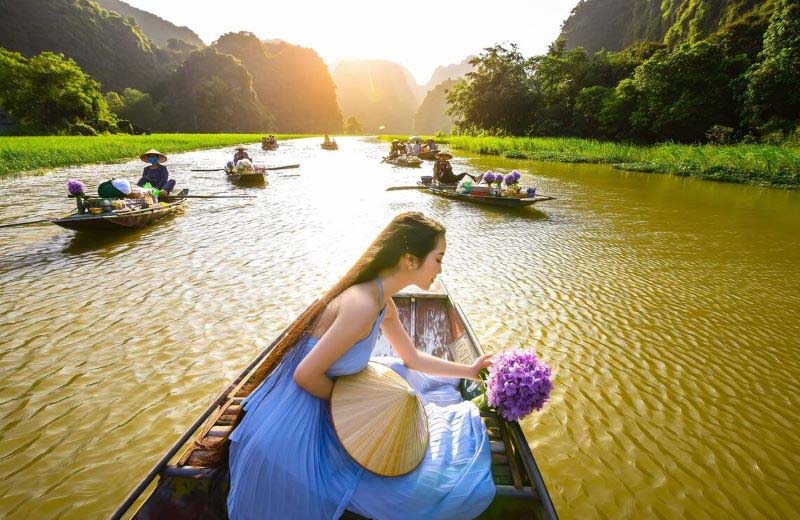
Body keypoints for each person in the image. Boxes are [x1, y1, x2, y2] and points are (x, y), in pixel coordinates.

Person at [224, 212, 496, 519]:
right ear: (410, 260)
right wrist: (357, 409)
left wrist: (470, 370)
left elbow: (413, 359)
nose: (441, 268)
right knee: (428, 490)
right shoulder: (363, 304)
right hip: (302, 414)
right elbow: (304, 375)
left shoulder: (383, 301)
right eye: (438, 258)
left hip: (326, 401)